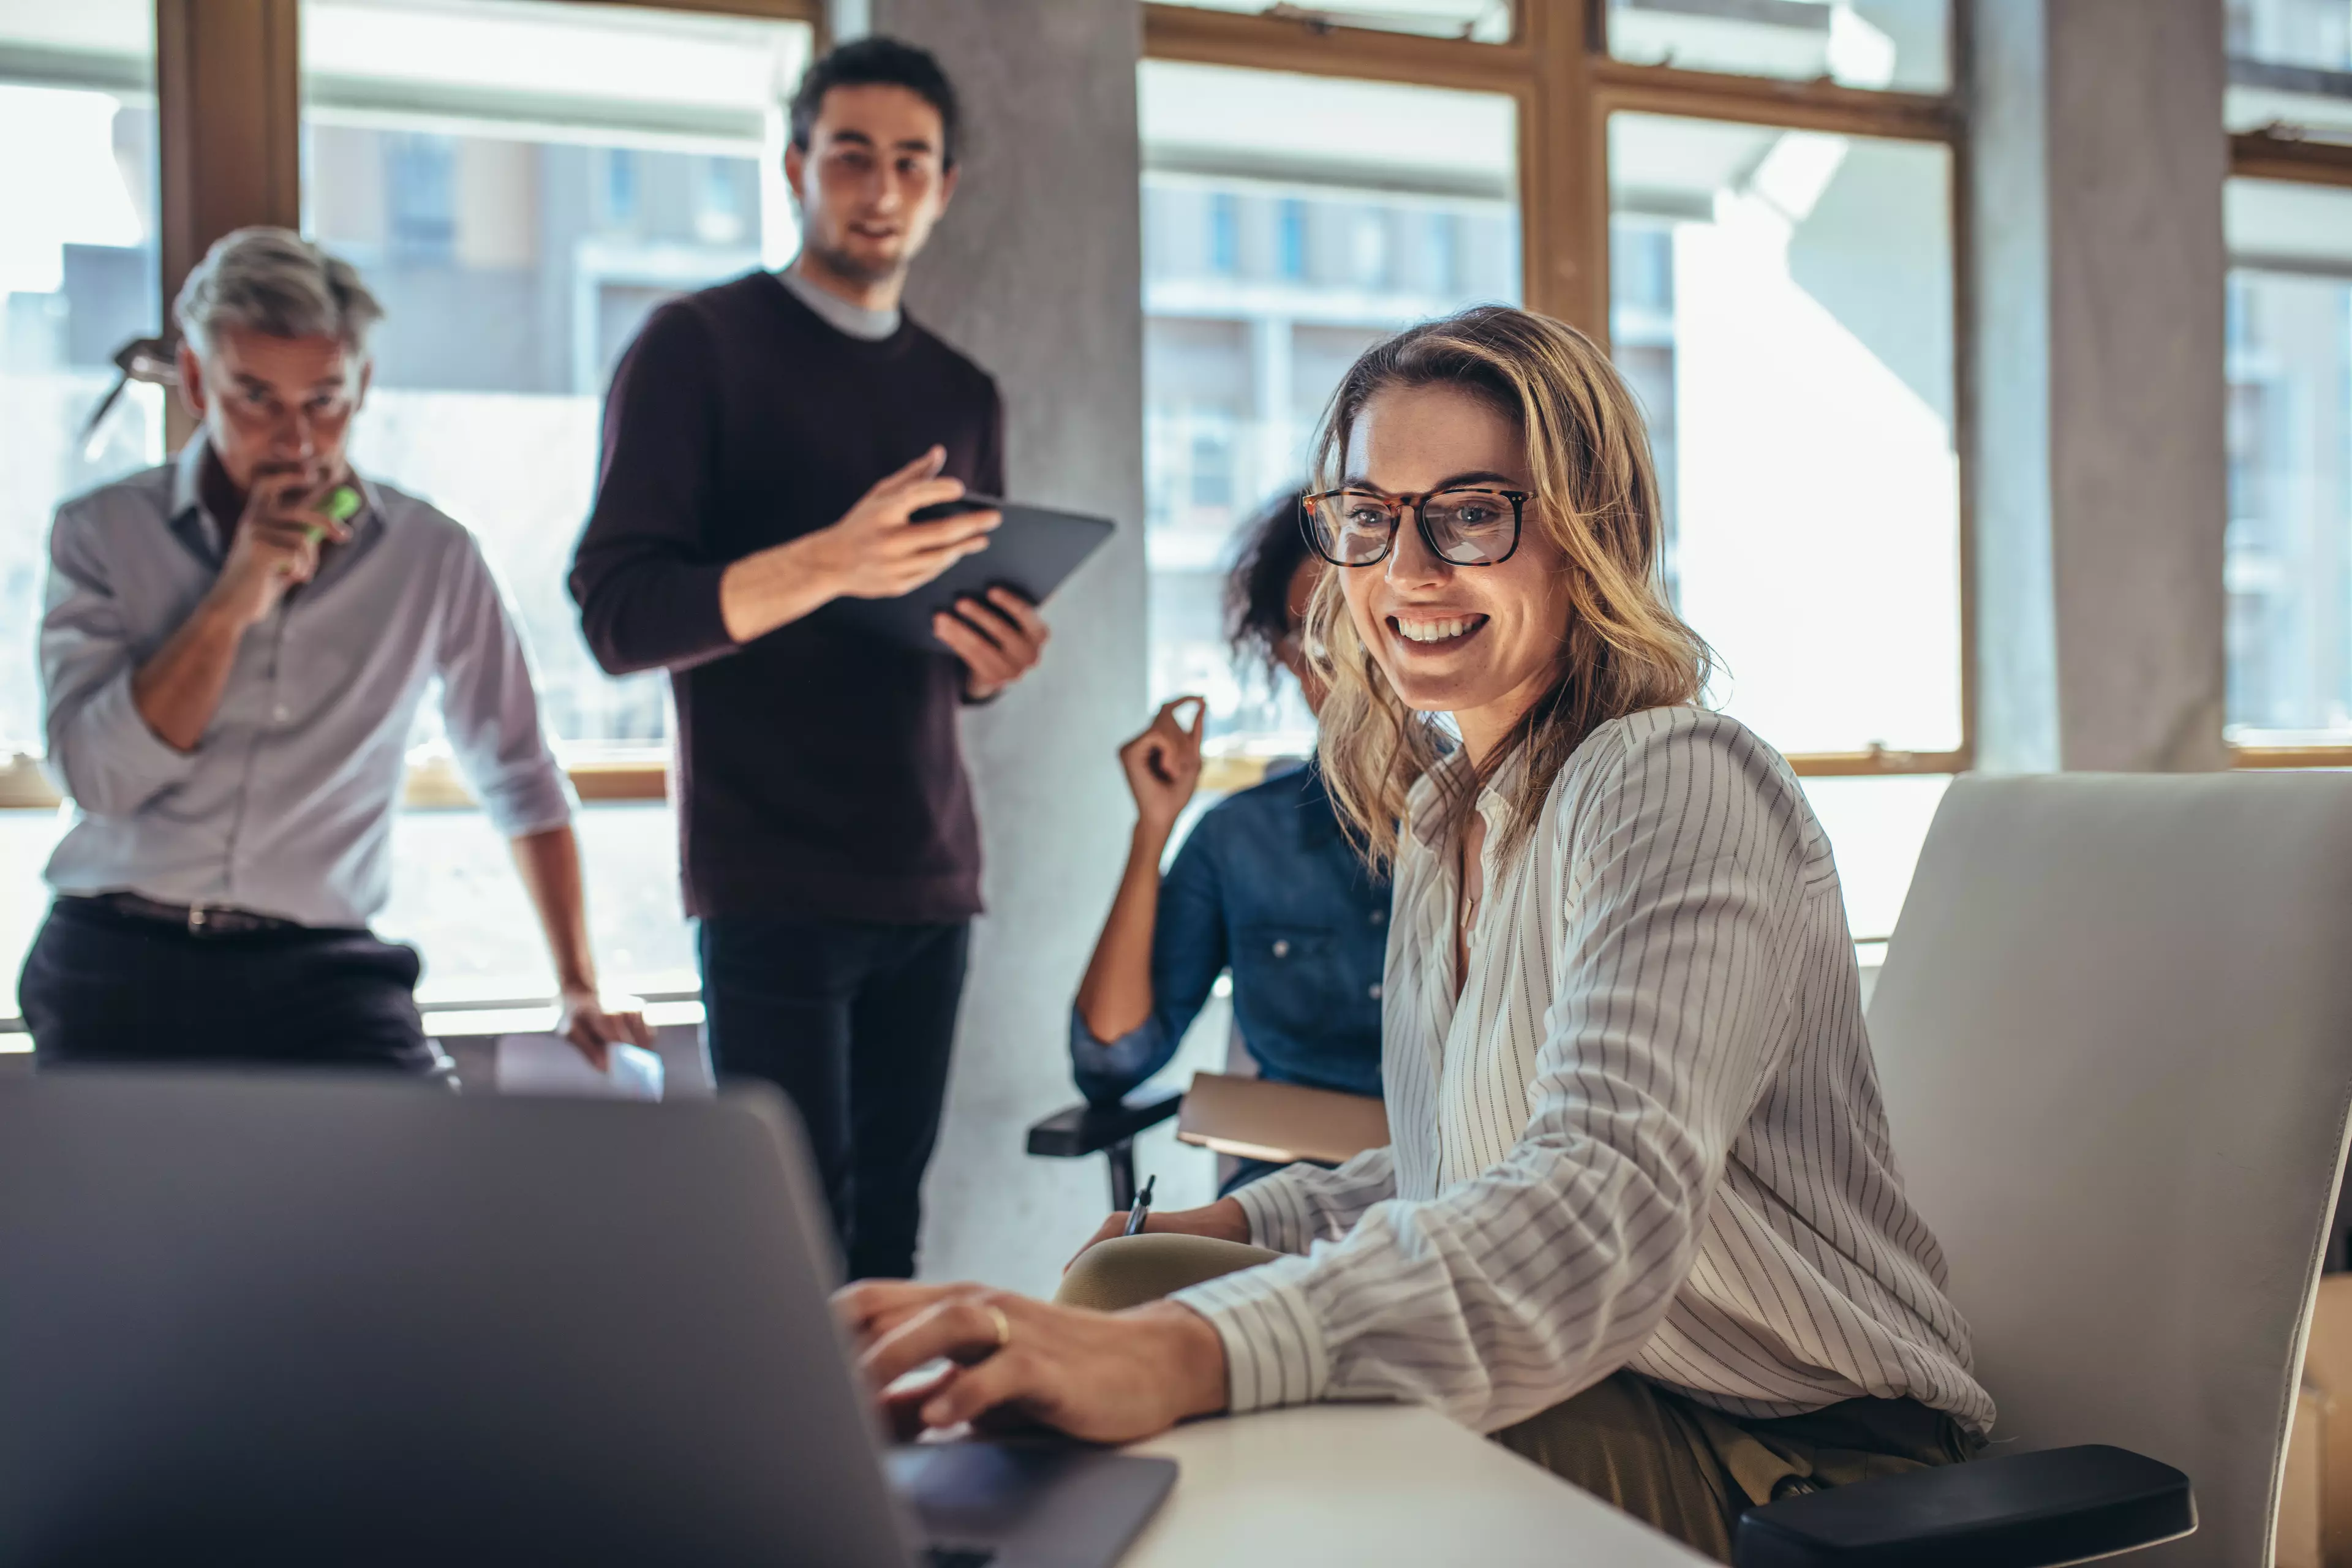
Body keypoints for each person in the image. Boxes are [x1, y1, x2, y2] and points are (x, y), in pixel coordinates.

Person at [835, 306, 1992, 1562]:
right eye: (1371, 516)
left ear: (1592, 532)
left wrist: (1189, 1351)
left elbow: (1592, 1202)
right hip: (1615, 1382)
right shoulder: (1449, 815)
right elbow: (1465, 1159)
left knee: (1237, 1424)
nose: (1407, 571)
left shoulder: (1679, 780)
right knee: (1128, 1280)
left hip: (1789, 1446)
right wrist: (1247, 1226)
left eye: (1473, 511)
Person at [568, 37, 1047, 1282]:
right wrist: (829, 558)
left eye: (910, 163)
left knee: (890, 1239)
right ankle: (795, 1482)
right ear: (794, 166)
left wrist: (991, 656)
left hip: (930, 870)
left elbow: (938, 634)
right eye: (850, 155)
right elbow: (619, 612)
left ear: (945, 187)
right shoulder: (696, 345)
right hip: (768, 870)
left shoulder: (963, 387)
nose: (880, 189)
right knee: (789, 1247)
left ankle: (887, 1485)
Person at [25, 227, 647, 1076]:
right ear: (199, 382)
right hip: (118, 949)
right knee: (127, 1210)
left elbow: (518, 771)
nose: (297, 441)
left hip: (322, 966)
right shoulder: (101, 533)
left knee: (418, 1190)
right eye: (257, 399)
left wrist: (579, 984)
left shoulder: (433, 555)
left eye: (325, 400)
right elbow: (99, 781)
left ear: (364, 385)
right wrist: (231, 601)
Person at [1069, 491, 1385, 1191]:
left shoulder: (1503, 818)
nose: (1346, 666)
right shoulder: (1242, 837)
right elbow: (1111, 1058)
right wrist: (1153, 827)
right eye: (1314, 640)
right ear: (1281, 655)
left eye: (1362, 629)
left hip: (1461, 1201)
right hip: (1282, 1202)